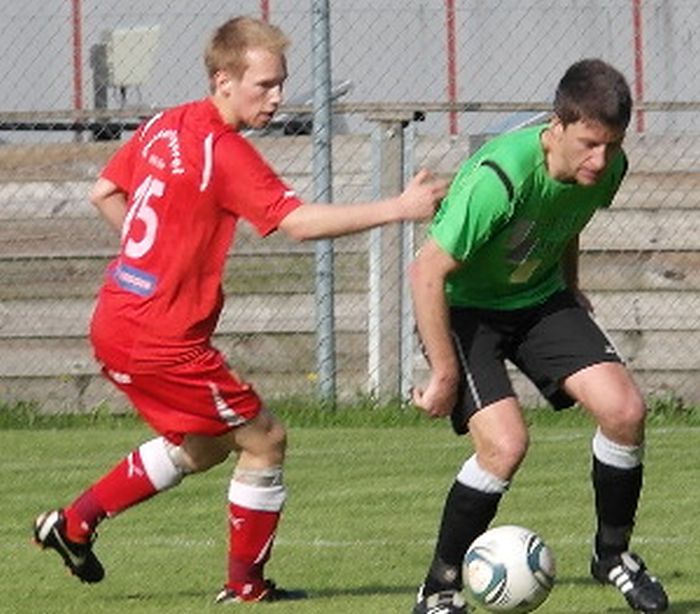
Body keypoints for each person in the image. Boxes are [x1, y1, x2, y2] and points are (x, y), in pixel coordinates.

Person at [32, 16, 446, 604]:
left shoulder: (163, 126)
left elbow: (105, 191)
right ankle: (246, 587)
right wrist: (400, 207)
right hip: (163, 338)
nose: (277, 98)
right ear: (223, 80)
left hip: (116, 320)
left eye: (280, 84)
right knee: (266, 438)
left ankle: (73, 524)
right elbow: (296, 223)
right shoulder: (221, 151)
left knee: (203, 445)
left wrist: (149, 262)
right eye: (264, 85)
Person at [409, 58, 669, 614]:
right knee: (505, 445)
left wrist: (571, 292)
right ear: (557, 126)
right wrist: (443, 374)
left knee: (624, 410)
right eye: (589, 143)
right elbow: (427, 271)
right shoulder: (498, 179)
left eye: (613, 144)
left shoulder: (608, 166)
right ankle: (438, 589)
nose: (600, 160)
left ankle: (612, 556)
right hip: (465, 311)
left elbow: (565, 221)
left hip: (538, 300)